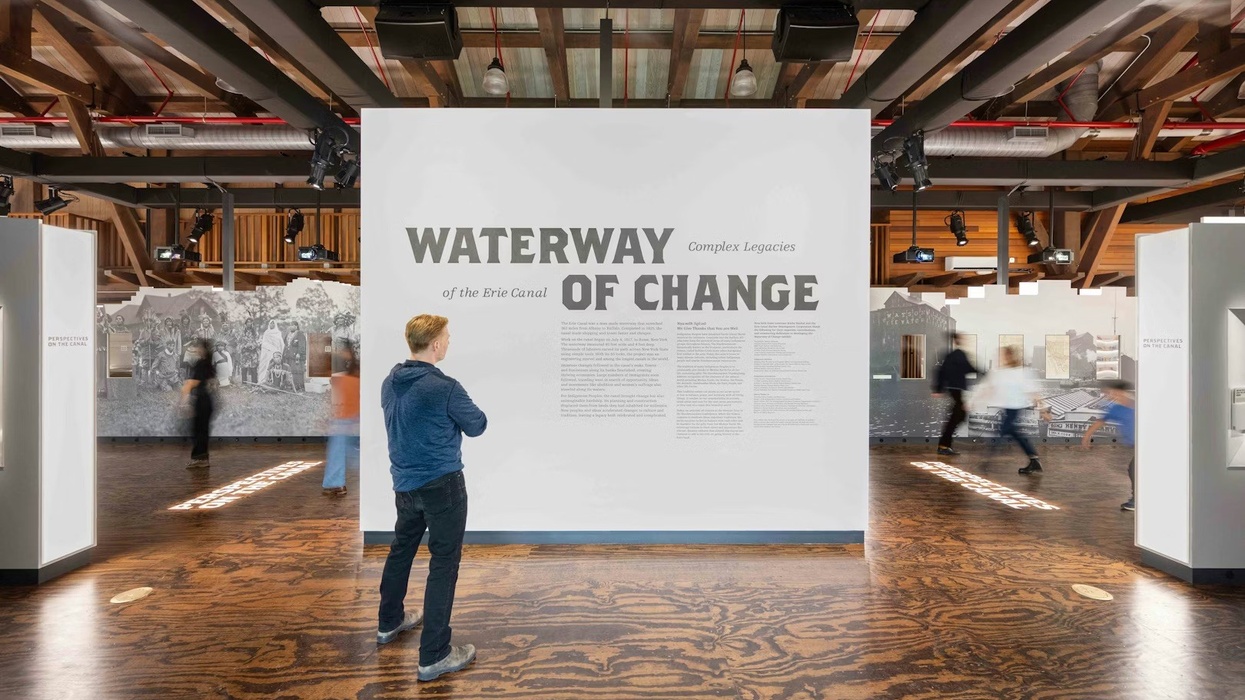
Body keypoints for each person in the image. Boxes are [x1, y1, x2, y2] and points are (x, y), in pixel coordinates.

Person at [377, 314, 486, 682]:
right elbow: (478, 425)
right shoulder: (445, 387)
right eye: (447, 337)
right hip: (443, 486)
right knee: (443, 564)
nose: (449, 342)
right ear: (436, 344)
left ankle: (389, 622)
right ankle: (434, 655)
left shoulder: (389, 383)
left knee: (401, 548)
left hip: (404, 485)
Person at [986, 346, 1045, 474]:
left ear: (1011, 356)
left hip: (1015, 408)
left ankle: (986, 463)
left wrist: (1043, 410)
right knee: (1015, 433)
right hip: (1008, 408)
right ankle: (1034, 460)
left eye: (1005, 355)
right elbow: (992, 388)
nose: (1002, 358)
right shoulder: (1003, 372)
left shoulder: (1021, 372)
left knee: (1002, 431)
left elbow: (1032, 391)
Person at [1082, 380, 1136, 511]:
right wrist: (1087, 436)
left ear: (1120, 392)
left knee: (1134, 469)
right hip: (1138, 446)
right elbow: (1101, 421)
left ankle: (1137, 501)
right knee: (1134, 469)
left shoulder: (1138, 404)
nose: (1108, 395)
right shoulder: (1116, 408)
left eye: (1110, 392)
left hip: (1149, 444)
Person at [932, 333, 980, 457]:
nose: (966, 340)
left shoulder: (954, 355)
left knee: (958, 415)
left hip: (954, 389)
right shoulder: (958, 354)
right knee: (958, 416)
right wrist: (983, 372)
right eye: (963, 339)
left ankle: (944, 445)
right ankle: (943, 446)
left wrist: (938, 388)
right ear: (958, 340)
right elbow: (968, 368)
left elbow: (942, 372)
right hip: (956, 389)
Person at [322, 342, 360, 496]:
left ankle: (335, 483)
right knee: (343, 450)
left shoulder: (353, 374)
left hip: (348, 417)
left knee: (340, 450)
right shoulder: (345, 374)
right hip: (344, 417)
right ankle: (335, 483)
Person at [181, 338, 216, 469]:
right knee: (202, 430)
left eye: (199, 347)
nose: (197, 349)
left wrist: (184, 402)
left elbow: (191, 383)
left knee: (198, 430)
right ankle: (202, 458)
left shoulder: (202, 364)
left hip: (202, 402)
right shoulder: (209, 364)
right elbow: (213, 385)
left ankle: (200, 459)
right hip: (207, 402)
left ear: (204, 350)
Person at [258, 320, 285, 387]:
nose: (272, 325)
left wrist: (278, 352)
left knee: (273, 366)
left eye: (273, 323)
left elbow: (281, 344)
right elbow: (264, 343)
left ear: (275, 325)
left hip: (275, 353)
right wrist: (269, 348)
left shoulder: (278, 333)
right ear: (269, 324)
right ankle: (262, 380)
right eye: (271, 323)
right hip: (267, 353)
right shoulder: (266, 333)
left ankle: (273, 382)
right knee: (265, 366)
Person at [286, 321, 307, 393]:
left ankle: (299, 386)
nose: (291, 326)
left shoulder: (300, 334)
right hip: (289, 356)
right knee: (291, 371)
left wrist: (299, 353)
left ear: (296, 326)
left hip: (297, 356)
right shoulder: (288, 334)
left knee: (298, 371)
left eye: (293, 325)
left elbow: (302, 345)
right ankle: (292, 386)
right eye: (290, 325)